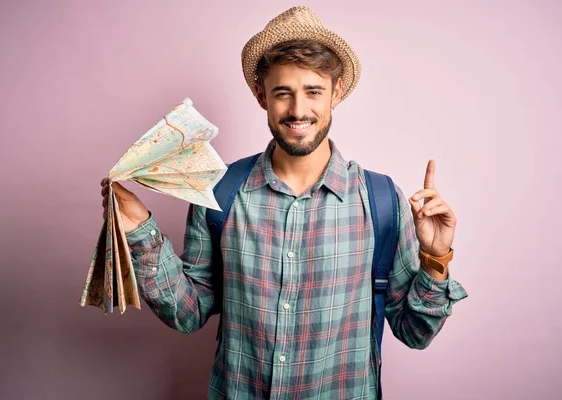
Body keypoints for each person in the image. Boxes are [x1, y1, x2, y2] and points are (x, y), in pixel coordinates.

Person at [100, 6, 467, 399]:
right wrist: (141, 231)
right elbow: (188, 314)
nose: (298, 110)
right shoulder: (218, 192)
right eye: (282, 93)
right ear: (261, 96)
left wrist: (436, 258)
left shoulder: (380, 200)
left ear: (335, 92)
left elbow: (414, 333)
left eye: (313, 91)